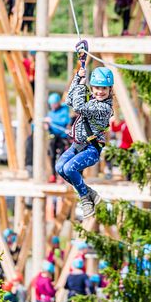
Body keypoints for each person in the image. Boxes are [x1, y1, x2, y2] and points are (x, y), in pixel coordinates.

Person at [55, 66, 114, 218]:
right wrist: (77, 77)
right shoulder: (90, 98)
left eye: (104, 89)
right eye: (97, 88)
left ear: (109, 90)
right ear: (92, 87)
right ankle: (90, 193)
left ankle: (86, 199)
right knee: (60, 167)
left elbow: (78, 107)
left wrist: (81, 85)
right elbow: (69, 100)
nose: (100, 92)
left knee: (69, 169)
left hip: (91, 150)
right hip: (77, 146)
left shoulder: (104, 107)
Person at [45, 92, 71, 182]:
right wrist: (47, 125)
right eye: (51, 104)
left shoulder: (64, 109)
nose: (52, 106)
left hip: (62, 136)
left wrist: (52, 121)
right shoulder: (50, 113)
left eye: (54, 104)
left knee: (62, 156)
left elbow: (65, 121)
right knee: (52, 155)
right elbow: (48, 125)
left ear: (58, 103)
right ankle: (53, 175)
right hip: (53, 136)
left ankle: (61, 176)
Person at [109, 115, 134, 180]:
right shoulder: (123, 124)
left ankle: (129, 176)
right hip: (124, 146)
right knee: (123, 161)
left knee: (129, 161)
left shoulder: (132, 125)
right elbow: (115, 129)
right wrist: (113, 122)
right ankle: (126, 175)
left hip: (131, 146)